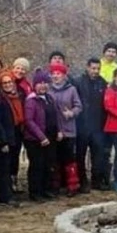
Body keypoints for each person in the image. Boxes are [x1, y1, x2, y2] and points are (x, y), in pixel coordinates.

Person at [48, 61, 83, 195]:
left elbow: (79, 106)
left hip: (68, 130)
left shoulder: (71, 89)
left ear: (64, 75)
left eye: (58, 73)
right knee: (55, 159)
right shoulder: (48, 90)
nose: (56, 76)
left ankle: (72, 185)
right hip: (53, 131)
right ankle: (55, 186)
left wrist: (71, 113)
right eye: (53, 73)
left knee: (69, 159)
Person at [22, 70, 57, 202]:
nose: (43, 86)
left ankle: (45, 189)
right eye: (40, 83)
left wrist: (58, 131)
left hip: (49, 136)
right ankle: (35, 192)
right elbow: (29, 121)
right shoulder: (31, 100)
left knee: (47, 164)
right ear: (35, 85)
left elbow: (54, 116)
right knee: (37, 165)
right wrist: (41, 137)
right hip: (35, 139)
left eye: (45, 83)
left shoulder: (49, 98)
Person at [75, 58, 109, 192]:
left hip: (98, 126)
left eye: (98, 69)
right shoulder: (78, 82)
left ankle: (97, 181)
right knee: (80, 156)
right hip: (81, 125)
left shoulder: (103, 83)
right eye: (93, 68)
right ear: (87, 67)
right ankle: (82, 181)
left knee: (98, 155)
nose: (95, 71)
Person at [0, 70, 22, 207]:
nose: (7, 85)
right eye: (4, 83)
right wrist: (2, 140)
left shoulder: (17, 96)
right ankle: (5, 196)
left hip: (16, 133)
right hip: (5, 135)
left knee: (11, 165)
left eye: (9, 82)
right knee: (4, 167)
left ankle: (1, 193)